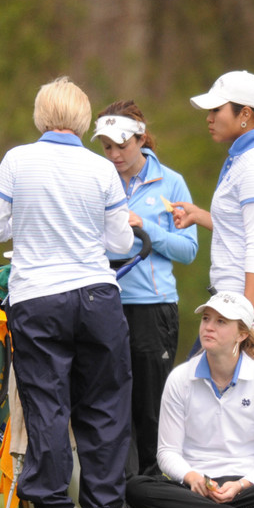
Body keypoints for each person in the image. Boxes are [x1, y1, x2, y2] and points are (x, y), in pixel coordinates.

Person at [0, 77, 135, 508]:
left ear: (41, 114)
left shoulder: (17, 160)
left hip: (39, 295)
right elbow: (121, 240)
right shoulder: (102, 168)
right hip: (97, 295)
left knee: (46, 401)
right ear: (84, 121)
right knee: (104, 404)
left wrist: (26, 224)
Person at [125, 291, 254, 508]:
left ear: (242, 333)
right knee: (135, 487)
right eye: (206, 319)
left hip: (249, 486)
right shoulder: (179, 378)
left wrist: (241, 484)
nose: (209, 327)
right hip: (194, 486)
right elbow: (167, 453)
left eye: (221, 321)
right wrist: (192, 477)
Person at [92, 100, 199, 478]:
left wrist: (144, 230)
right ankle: (118, 491)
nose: (115, 154)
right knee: (110, 402)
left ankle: (154, 493)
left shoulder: (170, 183)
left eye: (122, 145)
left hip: (153, 308)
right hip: (104, 302)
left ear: (141, 138)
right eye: (107, 147)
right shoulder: (97, 179)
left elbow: (188, 250)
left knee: (151, 407)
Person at [171, 70, 254, 366]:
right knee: (204, 394)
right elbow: (240, 229)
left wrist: (248, 315)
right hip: (234, 303)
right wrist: (200, 216)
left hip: (251, 305)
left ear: (245, 114)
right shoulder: (242, 158)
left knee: (236, 403)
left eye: (216, 109)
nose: (208, 118)